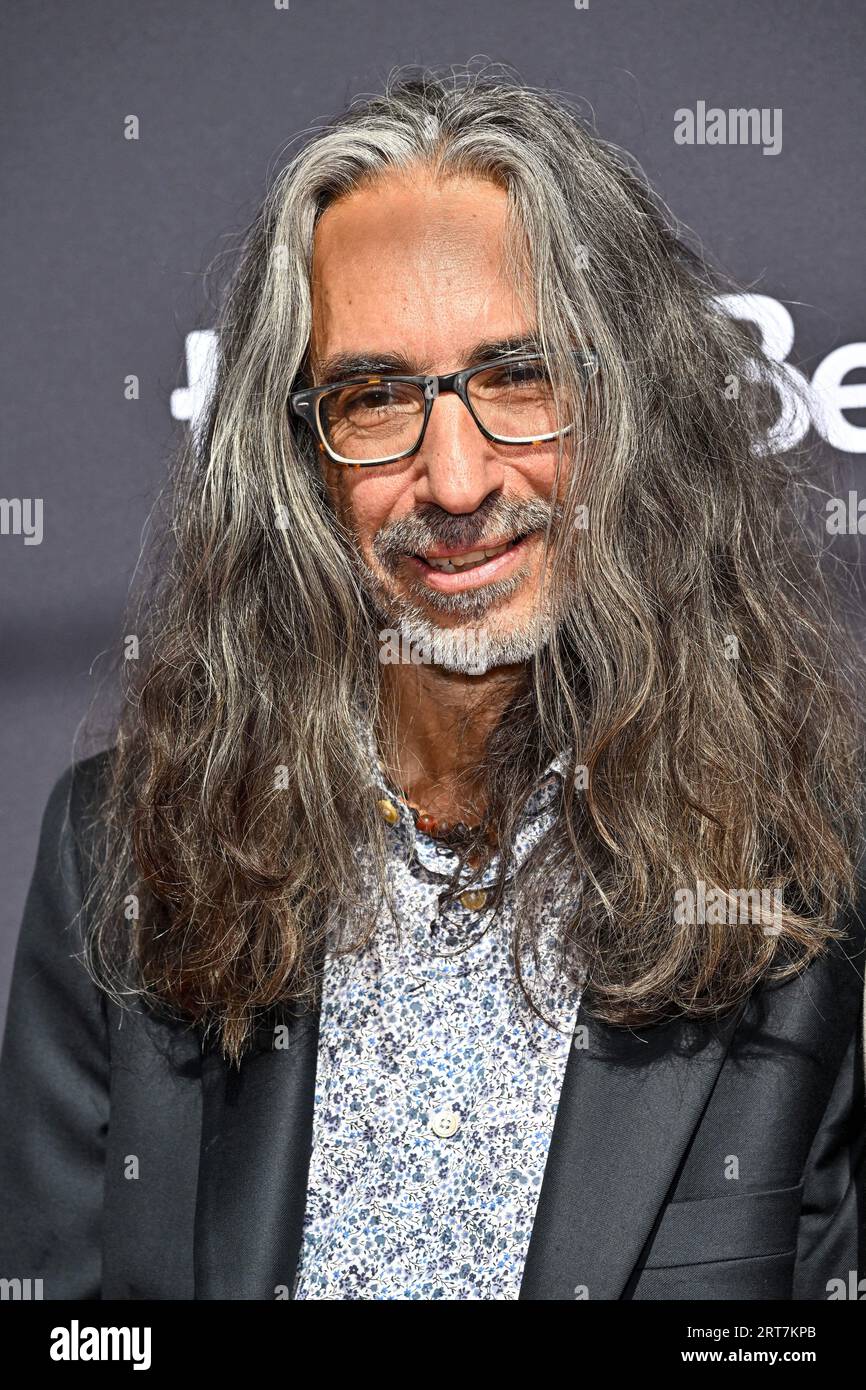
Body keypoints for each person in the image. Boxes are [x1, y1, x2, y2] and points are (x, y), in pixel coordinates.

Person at [0, 63, 864, 1302]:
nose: (454, 482)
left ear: (625, 405)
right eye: (374, 398)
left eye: (518, 378)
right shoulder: (121, 855)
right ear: (295, 458)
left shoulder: (802, 879)